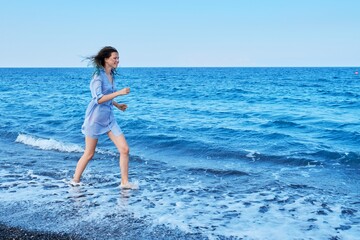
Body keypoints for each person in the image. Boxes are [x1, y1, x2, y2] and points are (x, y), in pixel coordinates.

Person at [72, 46, 136, 189]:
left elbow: (107, 97)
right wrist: (119, 93)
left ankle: (124, 182)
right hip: (95, 119)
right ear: (106, 59)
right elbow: (98, 99)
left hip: (109, 119)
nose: (117, 61)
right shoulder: (97, 77)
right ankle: (75, 181)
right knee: (89, 153)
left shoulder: (111, 75)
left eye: (118, 58)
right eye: (115, 58)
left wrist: (117, 105)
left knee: (124, 149)